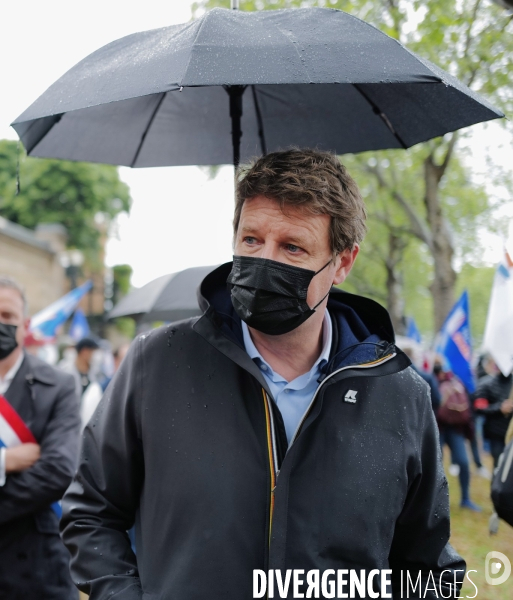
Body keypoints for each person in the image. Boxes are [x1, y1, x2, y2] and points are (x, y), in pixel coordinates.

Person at [61, 149, 465, 599]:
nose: (264, 260)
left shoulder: (398, 392)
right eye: (251, 240)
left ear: (343, 263)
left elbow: (429, 564)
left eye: (292, 247)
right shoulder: (156, 362)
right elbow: (90, 511)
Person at [0, 276, 80, 599]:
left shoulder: (58, 386)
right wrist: (7, 460)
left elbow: (58, 470)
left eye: (7, 316)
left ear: (25, 324)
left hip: (34, 565)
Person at [433, 363, 481, 511]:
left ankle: (465, 499)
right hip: (437, 428)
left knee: (463, 462)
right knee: (435, 465)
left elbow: (468, 406)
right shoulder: (429, 380)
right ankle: (433, 502)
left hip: (455, 429)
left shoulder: (457, 383)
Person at [60, 336, 102, 429]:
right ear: (84, 351)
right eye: (93, 351)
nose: (95, 355)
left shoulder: (97, 374)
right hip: (68, 425)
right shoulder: (64, 371)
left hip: (89, 426)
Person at [473, 369, 513, 467]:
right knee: (498, 465)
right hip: (495, 434)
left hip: (510, 433)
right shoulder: (486, 383)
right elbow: (479, 407)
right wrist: (499, 408)